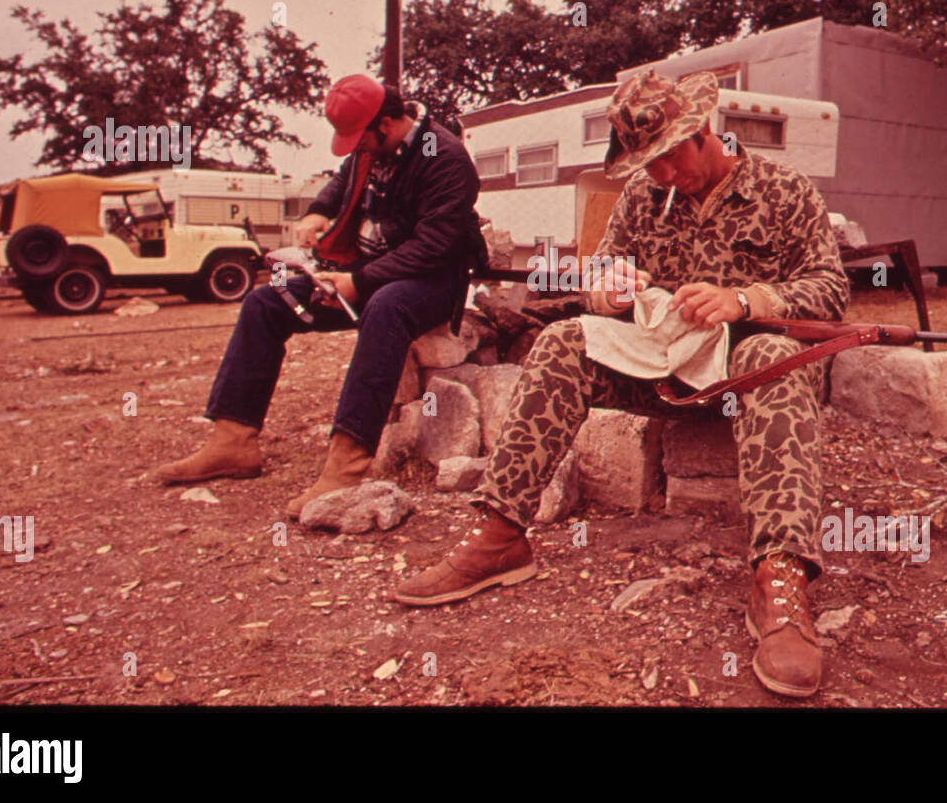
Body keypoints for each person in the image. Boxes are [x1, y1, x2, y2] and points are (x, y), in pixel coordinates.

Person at [393, 69, 850, 699]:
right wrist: (607, 292)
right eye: (647, 162)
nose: (660, 174)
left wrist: (744, 298)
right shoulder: (641, 196)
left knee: (773, 351)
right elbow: (604, 271)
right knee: (563, 339)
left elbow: (831, 292)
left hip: (745, 374)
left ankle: (780, 576)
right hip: (659, 372)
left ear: (704, 132)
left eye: (668, 157)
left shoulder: (782, 190)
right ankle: (501, 534)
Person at [154, 74, 487, 519]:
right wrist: (316, 215)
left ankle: (346, 468)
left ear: (386, 124)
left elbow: (434, 247)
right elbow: (342, 181)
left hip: (430, 280)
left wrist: (360, 282)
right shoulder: (372, 149)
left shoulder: (443, 157)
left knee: (386, 307)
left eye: (361, 140)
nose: (357, 150)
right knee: (264, 301)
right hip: (367, 273)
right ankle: (233, 441)